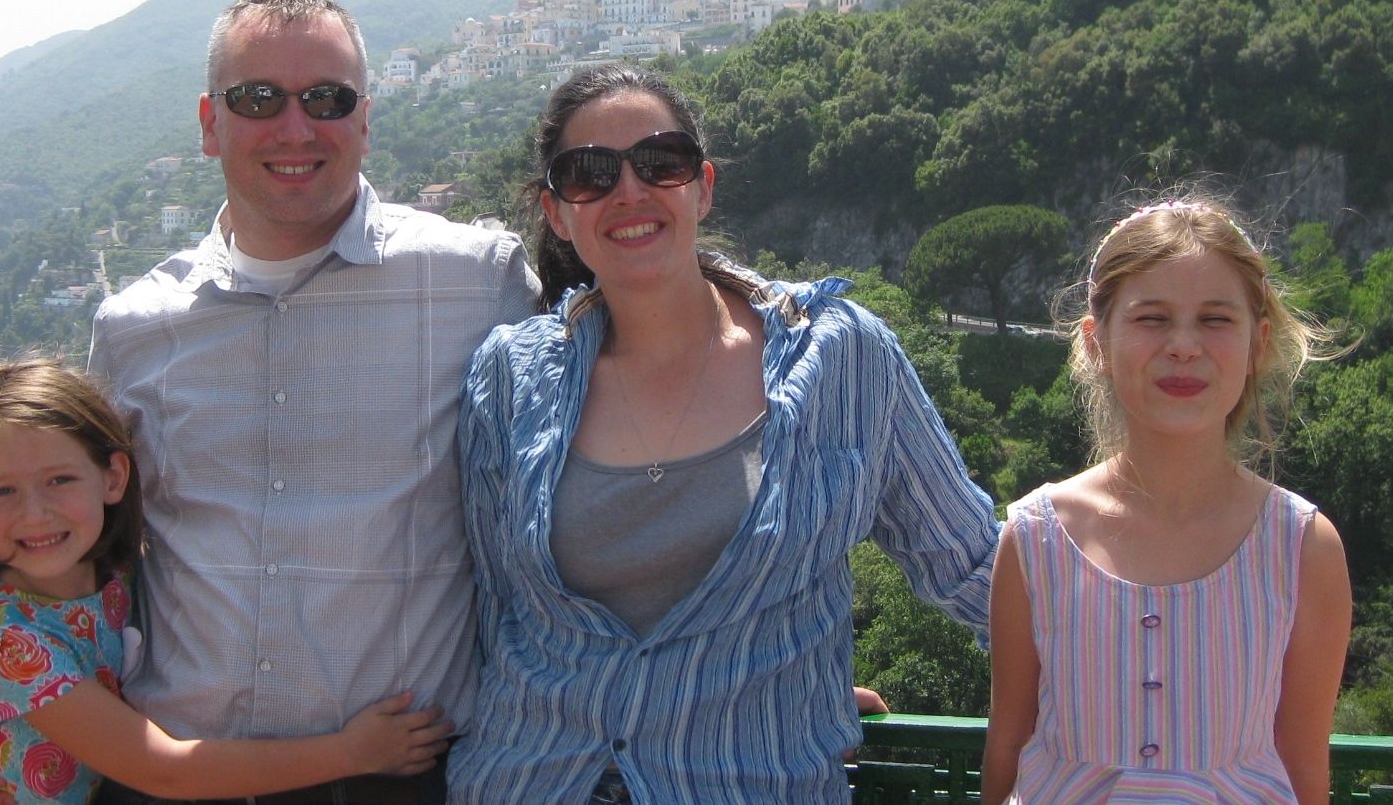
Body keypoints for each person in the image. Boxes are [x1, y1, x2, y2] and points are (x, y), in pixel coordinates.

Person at [0, 0, 539, 805]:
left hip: (393, 780)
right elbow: (73, 540)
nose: (295, 127)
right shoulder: (133, 326)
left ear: (364, 119)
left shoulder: (477, 282)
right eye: (257, 98)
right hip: (167, 779)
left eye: (326, 98)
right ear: (209, 122)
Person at [449, 63, 1001, 804]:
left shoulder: (839, 357)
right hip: (530, 781)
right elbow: (492, 613)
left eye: (660, 161)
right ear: (556, 212)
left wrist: (1131, 657)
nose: (629, 191)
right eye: (590, 174)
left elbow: (971, 565)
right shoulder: (509, 377)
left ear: (702, 186)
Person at [0, 359, 452, 805]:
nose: (35, 513)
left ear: (113, 477)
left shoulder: (110, 575)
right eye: (3, 492)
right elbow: (164, 770)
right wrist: (353, 753)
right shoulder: (14, 642)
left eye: (59, 480)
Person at [980, 197, 1353, 805]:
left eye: (1215, 319)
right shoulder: (1034, 537)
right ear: (1097, 342)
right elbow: (1007, 744)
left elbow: (1305, 767)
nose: (1183, 345)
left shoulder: (1303, 547)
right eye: (1152, 318)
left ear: (1257, 343)